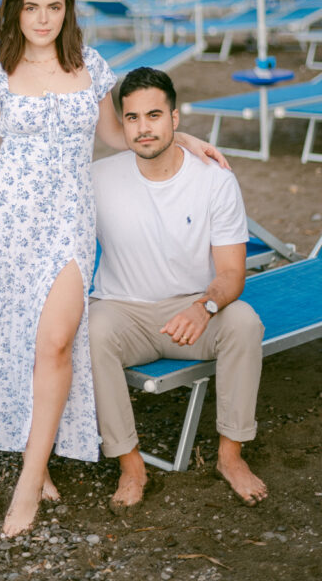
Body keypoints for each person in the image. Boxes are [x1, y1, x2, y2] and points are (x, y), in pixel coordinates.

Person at [0, 0, 223, 538]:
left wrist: (178, 135)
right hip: (4, 221)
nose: (44, 18)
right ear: (16, 10)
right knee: (19, 340)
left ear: (67, 10)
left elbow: (118, 135)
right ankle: (36, 464)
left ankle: (28, 481)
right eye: (32, 6)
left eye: (55, 6)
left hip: (67, 222)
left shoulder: (89, 66)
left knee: (57, 339)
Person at [89, 66, 268, 511]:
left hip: (191, 312)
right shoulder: (97, 177)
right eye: (132, 118)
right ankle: (131, 464)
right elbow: (38, 189)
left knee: (244, 322)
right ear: (122, 123)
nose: (143, 128)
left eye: (154, 115)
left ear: (175, 118)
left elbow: (231, 274)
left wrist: (204, 307)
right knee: (89, 332)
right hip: (123, 310)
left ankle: (230, 456)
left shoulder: (214, 180)